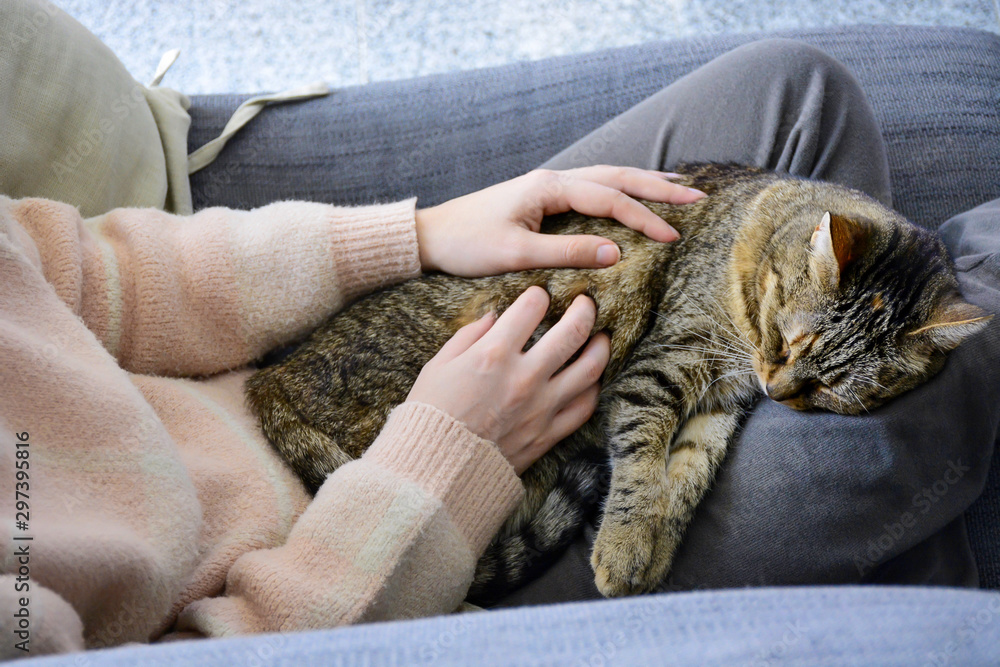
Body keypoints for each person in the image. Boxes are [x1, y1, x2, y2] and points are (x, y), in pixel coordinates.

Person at [0, 38, 888, 657]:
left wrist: (413, 237)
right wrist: (443, 458)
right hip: (385, 559)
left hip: (308, 369)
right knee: (940, 403)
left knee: (800, 94)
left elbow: (88, 271)